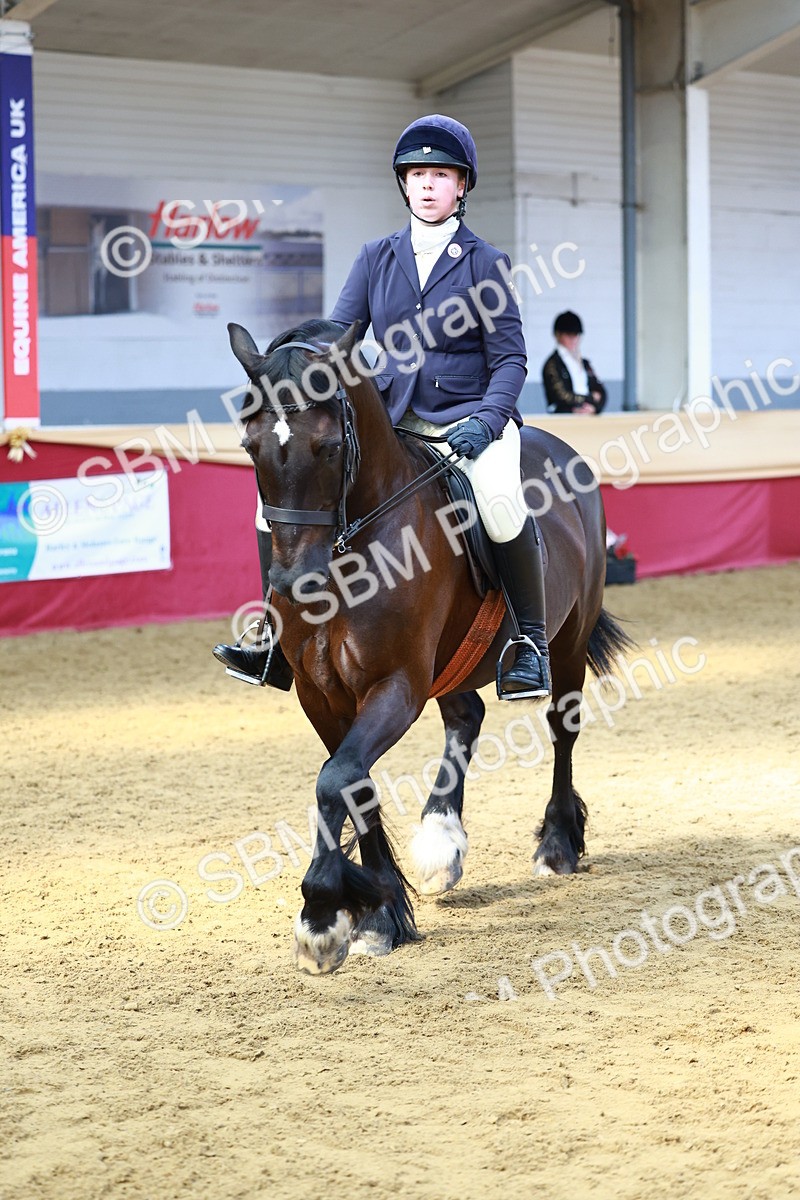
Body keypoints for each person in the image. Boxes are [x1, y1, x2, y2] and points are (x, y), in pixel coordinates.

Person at [214, 114, 550, 700]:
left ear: (461, 186)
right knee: (270, 510)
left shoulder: (485, 263)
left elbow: (511, 361)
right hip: (392, 419)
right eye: (417, 175)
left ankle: (529, 643)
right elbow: (335, 338)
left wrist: (488, 421)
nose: (427, 185)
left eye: (440, 175)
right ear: (404, 184)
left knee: (498, 502)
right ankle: (273, 635)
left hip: (469, 420)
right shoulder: (376, 256)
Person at [542, 311, 606, 414]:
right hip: (564, 417)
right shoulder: (552, 365)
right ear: (558, 335)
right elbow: (560, 396)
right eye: (569, 335)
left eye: (576, 335)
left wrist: (594, 408)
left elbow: (601, 391)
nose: (574, 339)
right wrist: (590, 398)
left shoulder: (584, 363)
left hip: (588, 414)